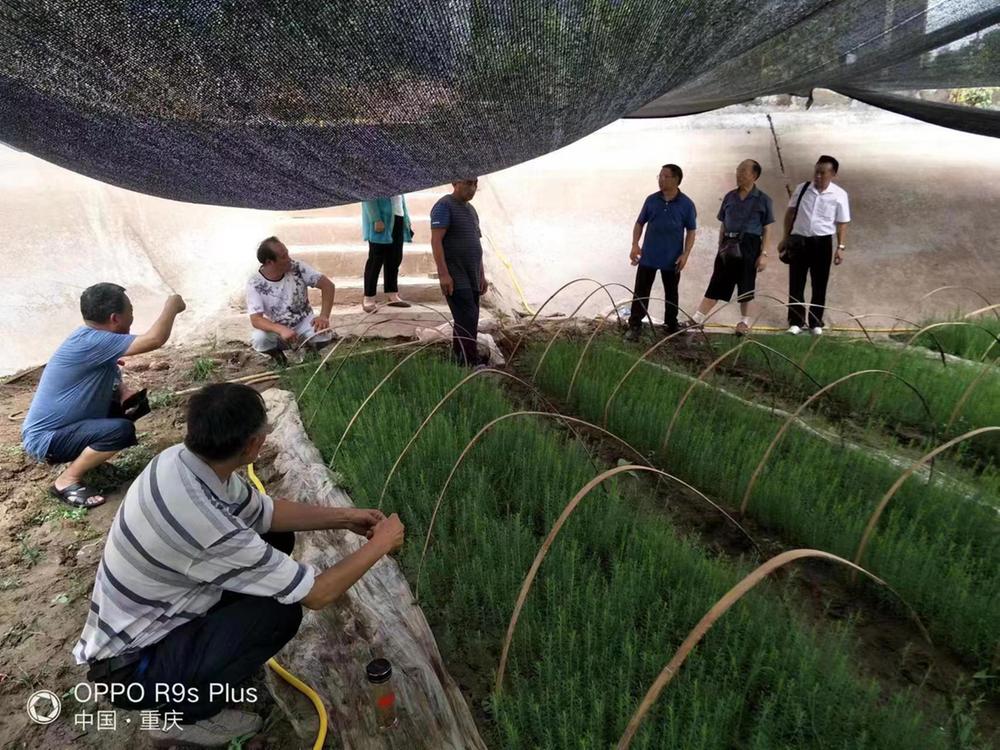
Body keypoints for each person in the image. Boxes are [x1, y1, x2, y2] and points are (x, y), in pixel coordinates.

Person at [74, 383, 406, 747]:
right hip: (135, 668)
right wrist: (381, 544)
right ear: (252, 446)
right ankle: (180, 718)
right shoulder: (208, 528)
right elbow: (318, 594)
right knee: (280, 613)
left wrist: (345, 517)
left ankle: (201, 666)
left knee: (275, 542)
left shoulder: (179, 462)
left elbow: (264, 512)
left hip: (151, 618)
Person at [21, 284, 186, 508]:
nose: (133, 315)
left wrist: (123, 391)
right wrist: (172, 305)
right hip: (47, 439)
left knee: (127, 409)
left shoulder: (92, 339)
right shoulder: (92, 341)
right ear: (115, 318)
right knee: (120, 430)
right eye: (131, 310)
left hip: (63, 428)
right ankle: (67, 480)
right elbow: (154, 339)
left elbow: (107, 374)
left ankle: (91, 458)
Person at [688, 159, 774, 335]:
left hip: (750, 245)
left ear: (754, 175)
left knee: (746, 284)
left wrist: (764, 254)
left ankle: (744, 322)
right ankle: (697, 318)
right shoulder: (729, 197)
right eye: (738, 171)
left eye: (743, 171)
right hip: (728, 244)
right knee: (717, 281)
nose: (739, 174)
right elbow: (723, 224)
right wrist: (720, 246)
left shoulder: (763, 200)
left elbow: (767, 228)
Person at [625, 164, 697, 342]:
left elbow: (691, 231)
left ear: (676, 179)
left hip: (672, 257)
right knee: (641, 291)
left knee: (671, 292)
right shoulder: (651, 200)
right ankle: (635, 324)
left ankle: (670, 326)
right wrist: (635, 245)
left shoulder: (686, 204)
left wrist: (686, 254)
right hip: (649, 256)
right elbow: (640, 223)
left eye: (665, 176)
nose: (661, 180)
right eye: (660, 176)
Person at [779, 155, 851, 335]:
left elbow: (842, 223)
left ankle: (816, 321)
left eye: (822, 173)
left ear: (833, 174)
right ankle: (795, 321)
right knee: (796, 282)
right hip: (799, 240)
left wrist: (840, 247)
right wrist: (785, 237)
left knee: (819, 284)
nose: (818, 176)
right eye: (816, 172)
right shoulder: (802, 189)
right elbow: (790, 213)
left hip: (822, 242)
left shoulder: (839, 195)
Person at [247, 237, 336, 364]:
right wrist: (281, 329)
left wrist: (324, 316)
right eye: (283, 256)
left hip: (304, 323)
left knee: (324, 334)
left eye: (287, 253)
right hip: (277, 329)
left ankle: (310, 355)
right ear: (269, 262)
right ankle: (278, 358)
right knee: (259, 339)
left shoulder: (298, 267)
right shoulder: (255, 283)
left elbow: (328, 286)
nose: (289, 259)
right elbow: (256, 319)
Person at [430, 178, 489, 366]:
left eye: (475, 184)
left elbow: (476, 243)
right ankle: (471, 361)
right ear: (455, 182)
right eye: (468, 183)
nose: (472, 188)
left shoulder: (471, 210)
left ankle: (460, 358)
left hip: (472, 274)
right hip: (455, 274)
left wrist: (481, 274)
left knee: (467, 318)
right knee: (468, 316)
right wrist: (444, 274)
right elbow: (436, 241)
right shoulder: (443, 206)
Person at [361, 195, 414, 312]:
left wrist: (406, 219)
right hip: (382, 219)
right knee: (376, 259)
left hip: (398, 217)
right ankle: (369, 297)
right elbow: (367, 196)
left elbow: (401, 198)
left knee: (395, 258)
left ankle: (392, 294)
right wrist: (376, 218)